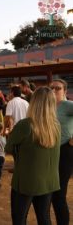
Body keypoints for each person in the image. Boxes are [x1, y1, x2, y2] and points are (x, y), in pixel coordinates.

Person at [6, 87, 60, 225]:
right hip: (48, 180)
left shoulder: (26, 125)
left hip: (25, 181)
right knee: (44, 217)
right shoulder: (56, 125)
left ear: (34, 102)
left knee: (19, 218)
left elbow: (8, 147)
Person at [50, 79, 73, 225]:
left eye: (57, 88)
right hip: (49, 152)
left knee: (58, 195)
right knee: (49, 194)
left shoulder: (68, 105)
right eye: (51, 88)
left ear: (65, 91)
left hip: (65, 151)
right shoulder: (49, 106)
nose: (53, 90)